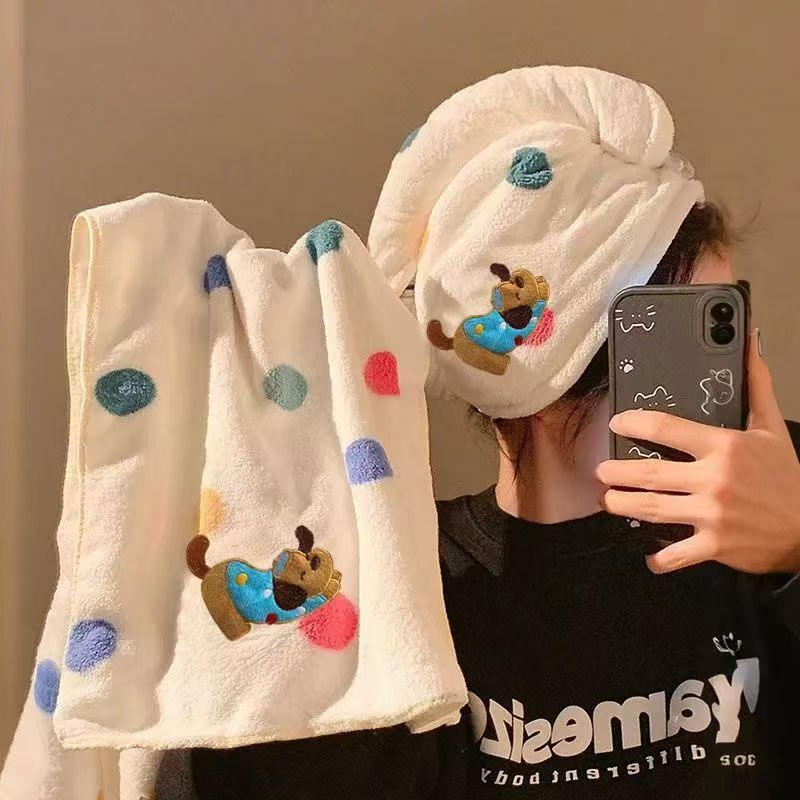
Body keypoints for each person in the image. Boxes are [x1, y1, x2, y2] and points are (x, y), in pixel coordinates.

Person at [189, 71, 800, 799]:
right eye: (685, 339)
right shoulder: (415, 582)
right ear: (553, 373)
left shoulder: (784, 497)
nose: (735, 370)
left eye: (728, 324)